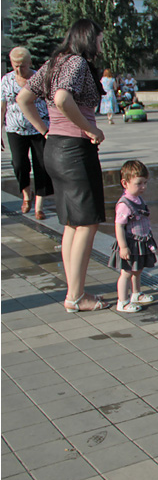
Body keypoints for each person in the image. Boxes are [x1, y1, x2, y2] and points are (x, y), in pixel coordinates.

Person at [17, 18, 109, 312]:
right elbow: (61, 98)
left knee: (72, 223)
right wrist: (90, 129)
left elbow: (23, 98)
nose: (101, 45)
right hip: (74, 151)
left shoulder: (52, 62)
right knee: (87, 224)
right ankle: (77, 296)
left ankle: (74, 291)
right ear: (87, 38)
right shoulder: (77, 63)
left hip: (54, 148)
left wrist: (44, 128)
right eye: (99, 39)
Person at [2, 47, 52, 220]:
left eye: (22, 66)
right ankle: (26, 194)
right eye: (15, 65)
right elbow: (2, 107)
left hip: (40, 128)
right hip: (14, 129)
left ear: (29, 63)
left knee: (42, 165)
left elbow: (52, 102)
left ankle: (39, 206)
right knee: (19, 164)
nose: (18, 69)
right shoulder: (6, 80)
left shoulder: (40, 78)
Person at [109, 160, 158, 313]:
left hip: (141, 241)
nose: (143, 187)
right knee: (126, 273)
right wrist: (123, 246)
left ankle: (136, 293)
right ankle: (122, 301)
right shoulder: (125, 204)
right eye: (139, 183)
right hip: (130, 244)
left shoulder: (137, 199)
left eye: (145, 183)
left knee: (138, 270)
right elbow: (119, 225)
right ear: (125, 183)